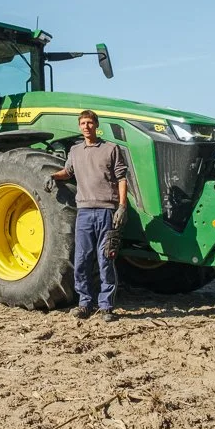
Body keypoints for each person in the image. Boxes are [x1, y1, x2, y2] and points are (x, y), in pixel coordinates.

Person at [45, 110, 128, 322]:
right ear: (79, 126)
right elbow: (68, 172)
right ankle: (84, 304)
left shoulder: (111, 149)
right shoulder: (75, 151)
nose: (86, 126)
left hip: (106, 212)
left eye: (89, 122)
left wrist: (121, 206)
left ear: (96, 125)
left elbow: (121, 179)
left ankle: (106, 307)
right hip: (84, 212)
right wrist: (54, 176)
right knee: (81, 260)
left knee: (105, 260)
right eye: (82, 123)